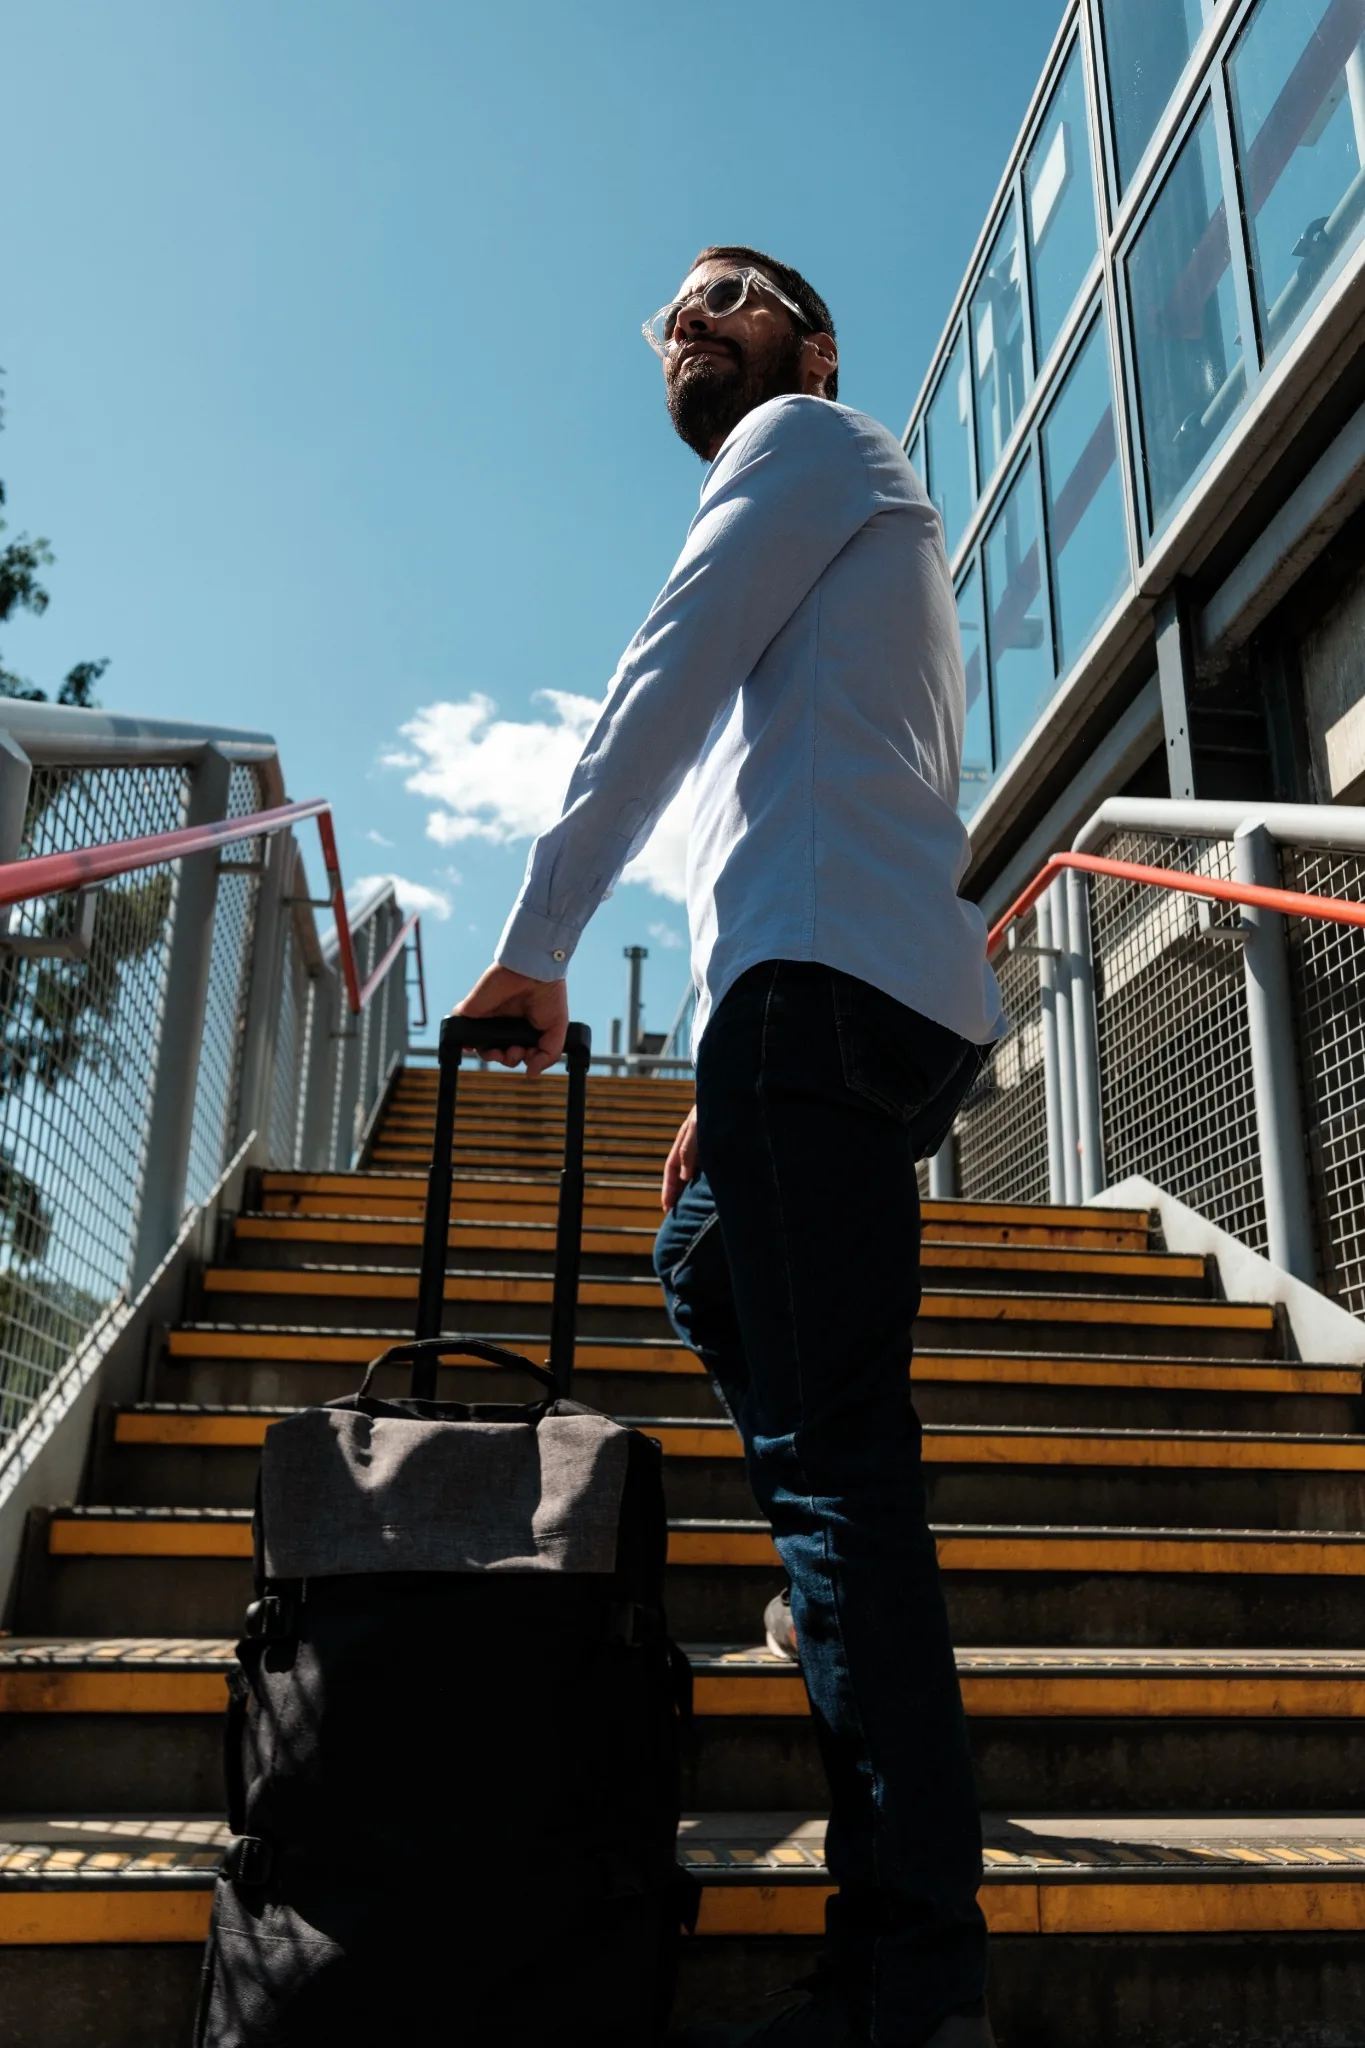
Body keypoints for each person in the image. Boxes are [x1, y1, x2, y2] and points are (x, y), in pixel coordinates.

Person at [453, 245, 1004, 2048]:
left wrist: (540, 938)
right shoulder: (872, 514)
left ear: (812, 344)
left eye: (734, 294)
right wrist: (729, 1056)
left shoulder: (807, 438)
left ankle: (908, 1973)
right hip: (868, 1003)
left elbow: (663, 676)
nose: (692, 321)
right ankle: (823, 1596)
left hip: (827, 1004)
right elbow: (829, 783)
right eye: (672, 310)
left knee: (851, 1474)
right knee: (707, 1273)